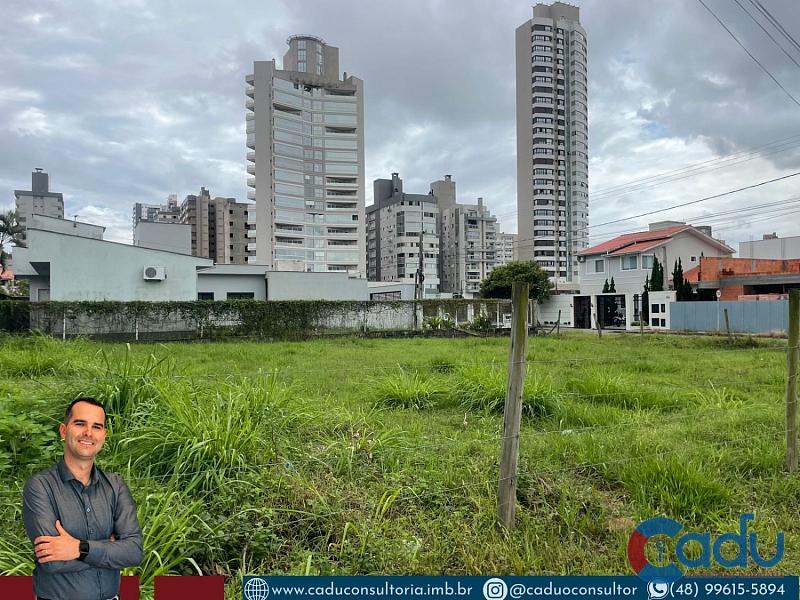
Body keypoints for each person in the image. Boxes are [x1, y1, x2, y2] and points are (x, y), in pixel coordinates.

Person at [22, 397, 143, 600]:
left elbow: (133, 552)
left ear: (103, 435)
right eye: (80, 424)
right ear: (63, 430)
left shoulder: (116, 486)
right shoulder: (40, 487)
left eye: (97, 426)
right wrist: (109, 548)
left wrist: (78, 548)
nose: (88, 433)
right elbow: (52, 561)